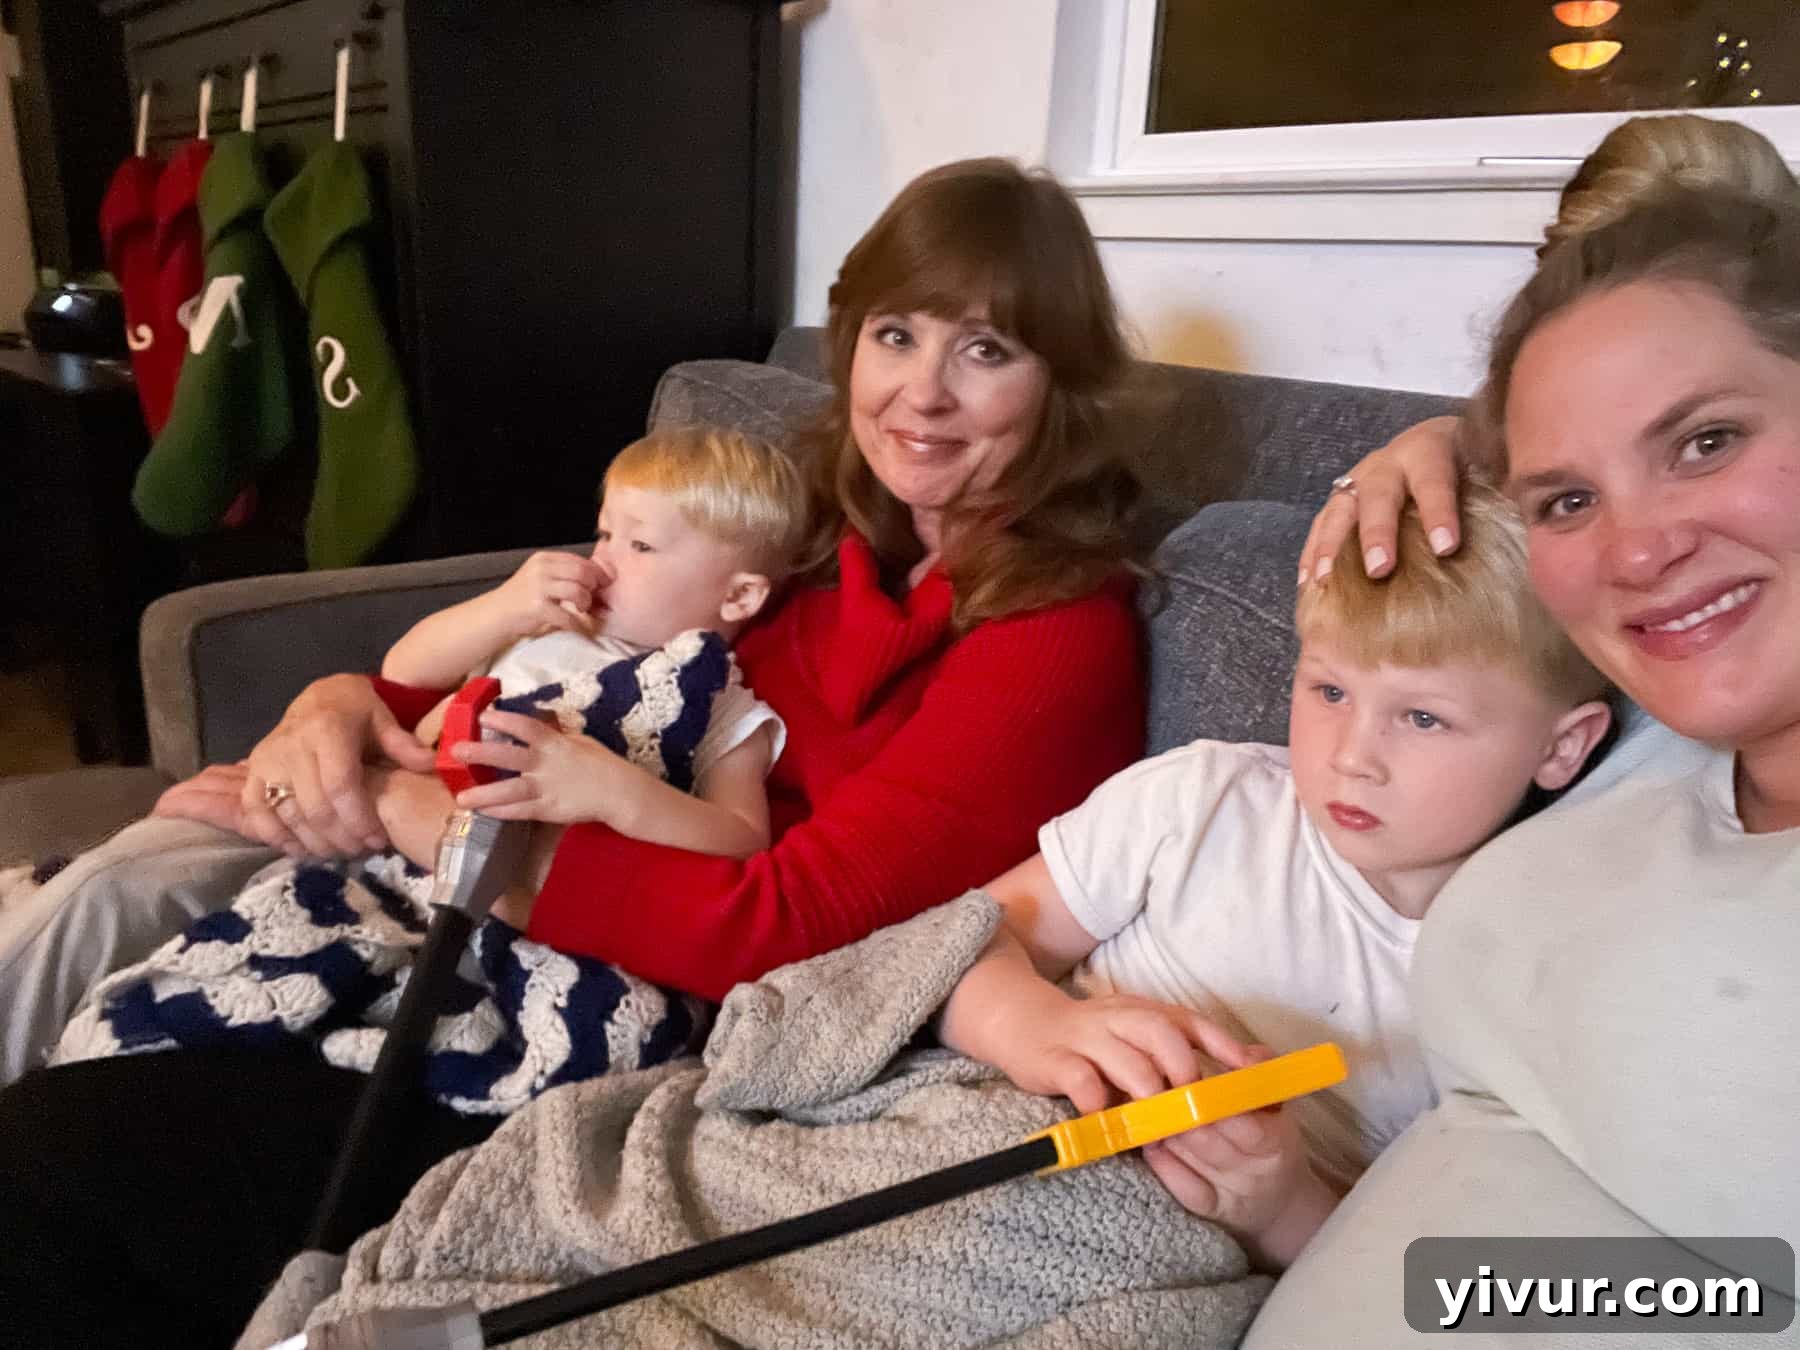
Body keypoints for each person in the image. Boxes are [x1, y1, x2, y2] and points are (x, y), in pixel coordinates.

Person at [0, 157, 1149, 1348]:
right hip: (490, 884)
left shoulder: (1058, 638)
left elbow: (796, 926)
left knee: (54, 1166)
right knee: (145, 874)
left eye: (986, 352)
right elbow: (571, 645)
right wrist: (338, 709)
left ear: (1061, 380)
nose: (921, 395)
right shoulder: (816, 535)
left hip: (635, 1024)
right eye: (897, 336)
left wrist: (421, 817)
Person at [1240, 186, 1800, 1344]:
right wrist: (1439, 450)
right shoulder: (1643, 740)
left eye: (1709, 441)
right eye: (1571, 498)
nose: (1638, 549)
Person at [939, 482, 1612, 1274]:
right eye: (1329, 691)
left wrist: (1279, 1206)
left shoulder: (1518, 993)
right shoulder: (1206, 800)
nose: (1350, 755)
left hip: (1159, 1265)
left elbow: (1394, 1283)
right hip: (978, 1129)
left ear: (1563, 748)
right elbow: (954, 954)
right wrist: (1036, 1028)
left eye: (1422, 718)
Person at [49, 426, 801, 1094]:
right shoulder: (550, 623)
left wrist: (614, 793)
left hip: (474, 883)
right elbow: (406, 668)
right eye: (602, 535)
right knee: (133, 885)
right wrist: (503, 606)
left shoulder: (716, 702)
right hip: (368, 832)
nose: (601, 564)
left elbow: (742, 838)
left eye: (638, 546)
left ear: (738, 596)